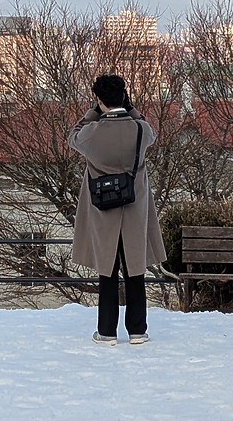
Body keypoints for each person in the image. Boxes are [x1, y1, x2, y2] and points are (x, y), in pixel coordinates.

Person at [68, 72, 165, 346]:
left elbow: (72, 137)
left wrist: (92, 113)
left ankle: (107, 331)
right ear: (124, 96)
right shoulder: (139, 130)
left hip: (103, 208)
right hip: (135, 206)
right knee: (135, 268)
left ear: (99, 99)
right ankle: (137, 330)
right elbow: (150, 129)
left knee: (107, 269)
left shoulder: (91, 133)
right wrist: (131, 108)